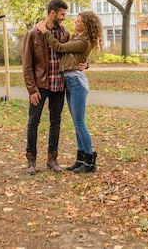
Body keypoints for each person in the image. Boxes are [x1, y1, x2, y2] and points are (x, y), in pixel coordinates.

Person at [36, 10, 102, 174]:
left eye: (78, 21)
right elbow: (75, 58)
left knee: (80, 123)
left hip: (76, 83)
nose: (75, 22)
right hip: (70, 81)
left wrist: (44, 32)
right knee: (77, 124)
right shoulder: (77, 38)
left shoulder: (83, 41)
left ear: (86, 25)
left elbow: (59, 47)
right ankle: (80, 159)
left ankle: (89, 160)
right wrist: (85, 64)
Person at [22, 0, 71, 175]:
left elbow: (70, 55)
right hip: (40, 86)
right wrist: (32, 90)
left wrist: (84, 64)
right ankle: (31, 161)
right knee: (33, 122)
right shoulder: (33, 34)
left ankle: (52, 159)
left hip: (59, 85)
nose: (64, 18)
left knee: (55, 122)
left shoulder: (64, 34)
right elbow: (27, 65)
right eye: (62, 14)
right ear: (53, 13)